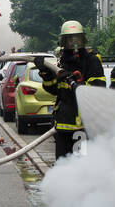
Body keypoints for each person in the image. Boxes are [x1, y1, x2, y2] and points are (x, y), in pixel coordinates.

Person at [38, 20, 106, 159]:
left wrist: (76, 83)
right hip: (63, 126)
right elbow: (54, 89)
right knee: (62, 167)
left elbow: (98, 90)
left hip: (82, 128)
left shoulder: (92, 61)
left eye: (77, 38)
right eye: (69, 39)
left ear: (83, 39)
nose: (73, 43)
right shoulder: (62, 63)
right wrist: (46, 74)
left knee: (79, 167)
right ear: (63, 41)